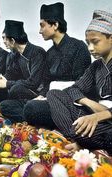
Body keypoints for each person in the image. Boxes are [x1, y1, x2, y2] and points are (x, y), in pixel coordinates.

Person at [47, 10, 112, 155]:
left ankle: (79, 139)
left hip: (108, 121)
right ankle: (77, 137)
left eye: (95, 42)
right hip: (94, 113)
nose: (90, 48)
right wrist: (88, 103)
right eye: (88, 43)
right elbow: (74, 89)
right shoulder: (96, 66)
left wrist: (99, 115)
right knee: (54, 94)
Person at [0, 20, 46, 121]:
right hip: (23, 92)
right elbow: (11, 73)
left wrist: (7, 84)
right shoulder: (15, 54)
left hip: (39, 93)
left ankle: (32, 114)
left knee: (15, 90)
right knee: (3, 105)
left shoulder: (37, 52)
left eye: (4, 38)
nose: (3, 42)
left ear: (13, 41)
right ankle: (28, 113)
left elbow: (34, 83)